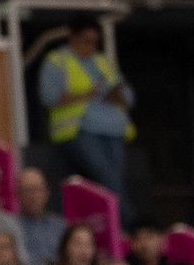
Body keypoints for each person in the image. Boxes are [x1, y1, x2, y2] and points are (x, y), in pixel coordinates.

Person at [39, 15, 132, 210]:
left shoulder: (102, 62)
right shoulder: (57, 61)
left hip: (113, 129)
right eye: (85, 40)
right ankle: (129, 225)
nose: (89, 46)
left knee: (116, 177)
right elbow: (49, 97)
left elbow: (129, 97)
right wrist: (86, 95)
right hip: (78, 130)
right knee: (106, 176)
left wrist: (116, 95)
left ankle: (121, 224)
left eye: (94, 42)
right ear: (72, 38)